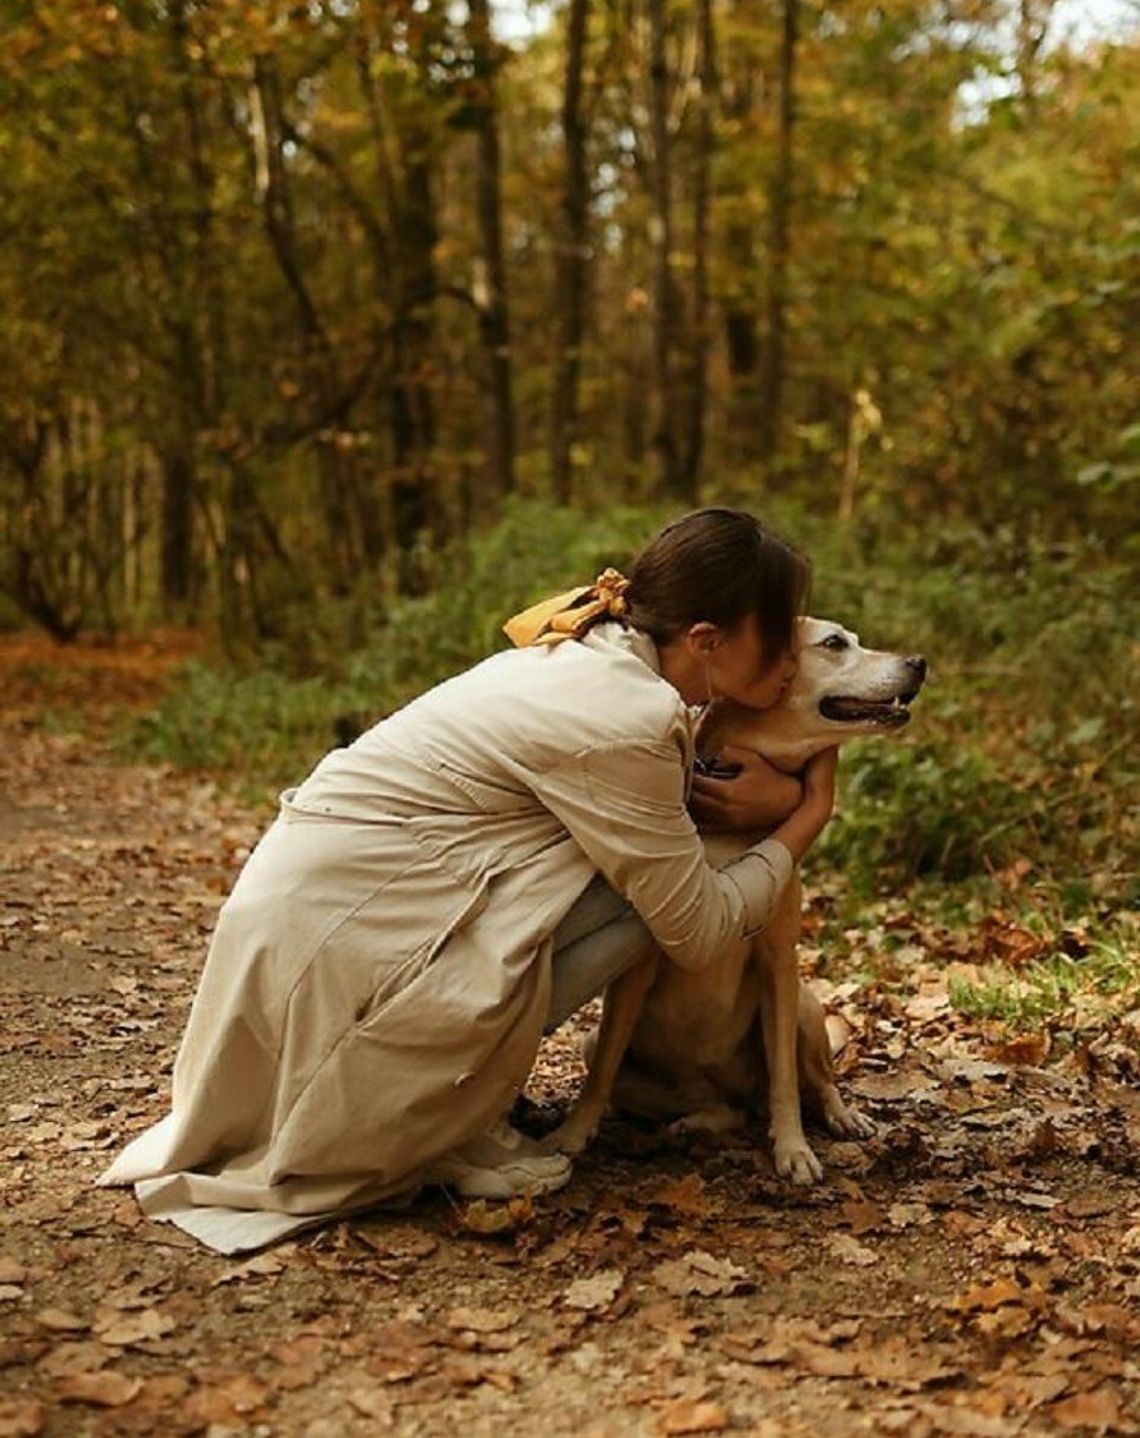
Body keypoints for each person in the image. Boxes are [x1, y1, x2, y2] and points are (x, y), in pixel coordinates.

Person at [100, 507, 838, 1254]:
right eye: (779, 641)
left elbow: (659, 819)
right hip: (349, 948)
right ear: (707, 642)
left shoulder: (593, 656)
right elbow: (700, 927)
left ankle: (460, 1097)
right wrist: (809, 811)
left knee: (644, 876)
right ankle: (435, 1116)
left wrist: (768, 798)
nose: (789, 662)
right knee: (655, 902)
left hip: (316, 919)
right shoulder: (629, 715)